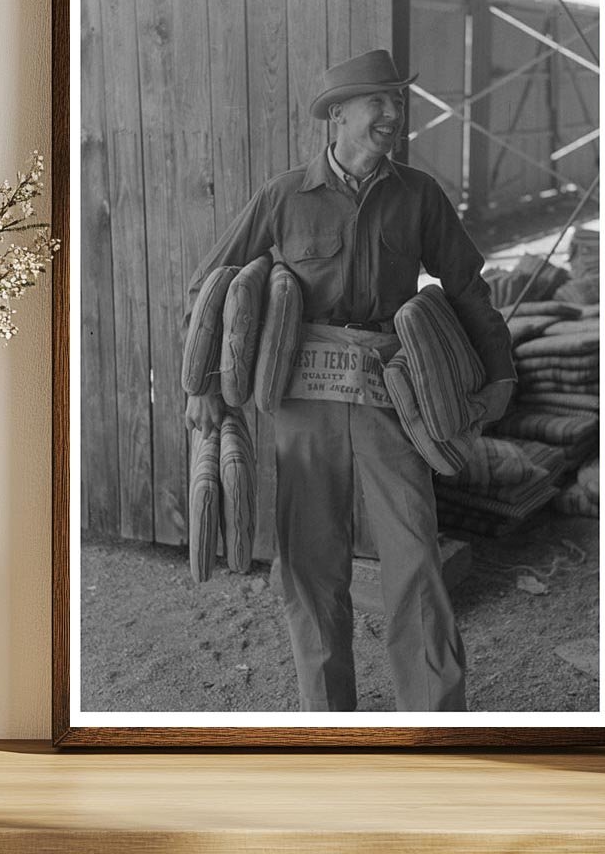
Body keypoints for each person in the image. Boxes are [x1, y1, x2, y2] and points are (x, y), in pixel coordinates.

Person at [184, 48, 515, 712]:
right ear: (336, 117)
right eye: (378, 102)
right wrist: (204, 389)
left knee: (416, 558)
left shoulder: (417, 195)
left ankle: (433, 728)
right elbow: (210, 285)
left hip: (391, 398)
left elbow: (469, 287)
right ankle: (329, 728)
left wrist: (500, 376)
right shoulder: (284, 197)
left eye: (397, 102)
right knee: (309, 568)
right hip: (303, 404)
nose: (393, 113)